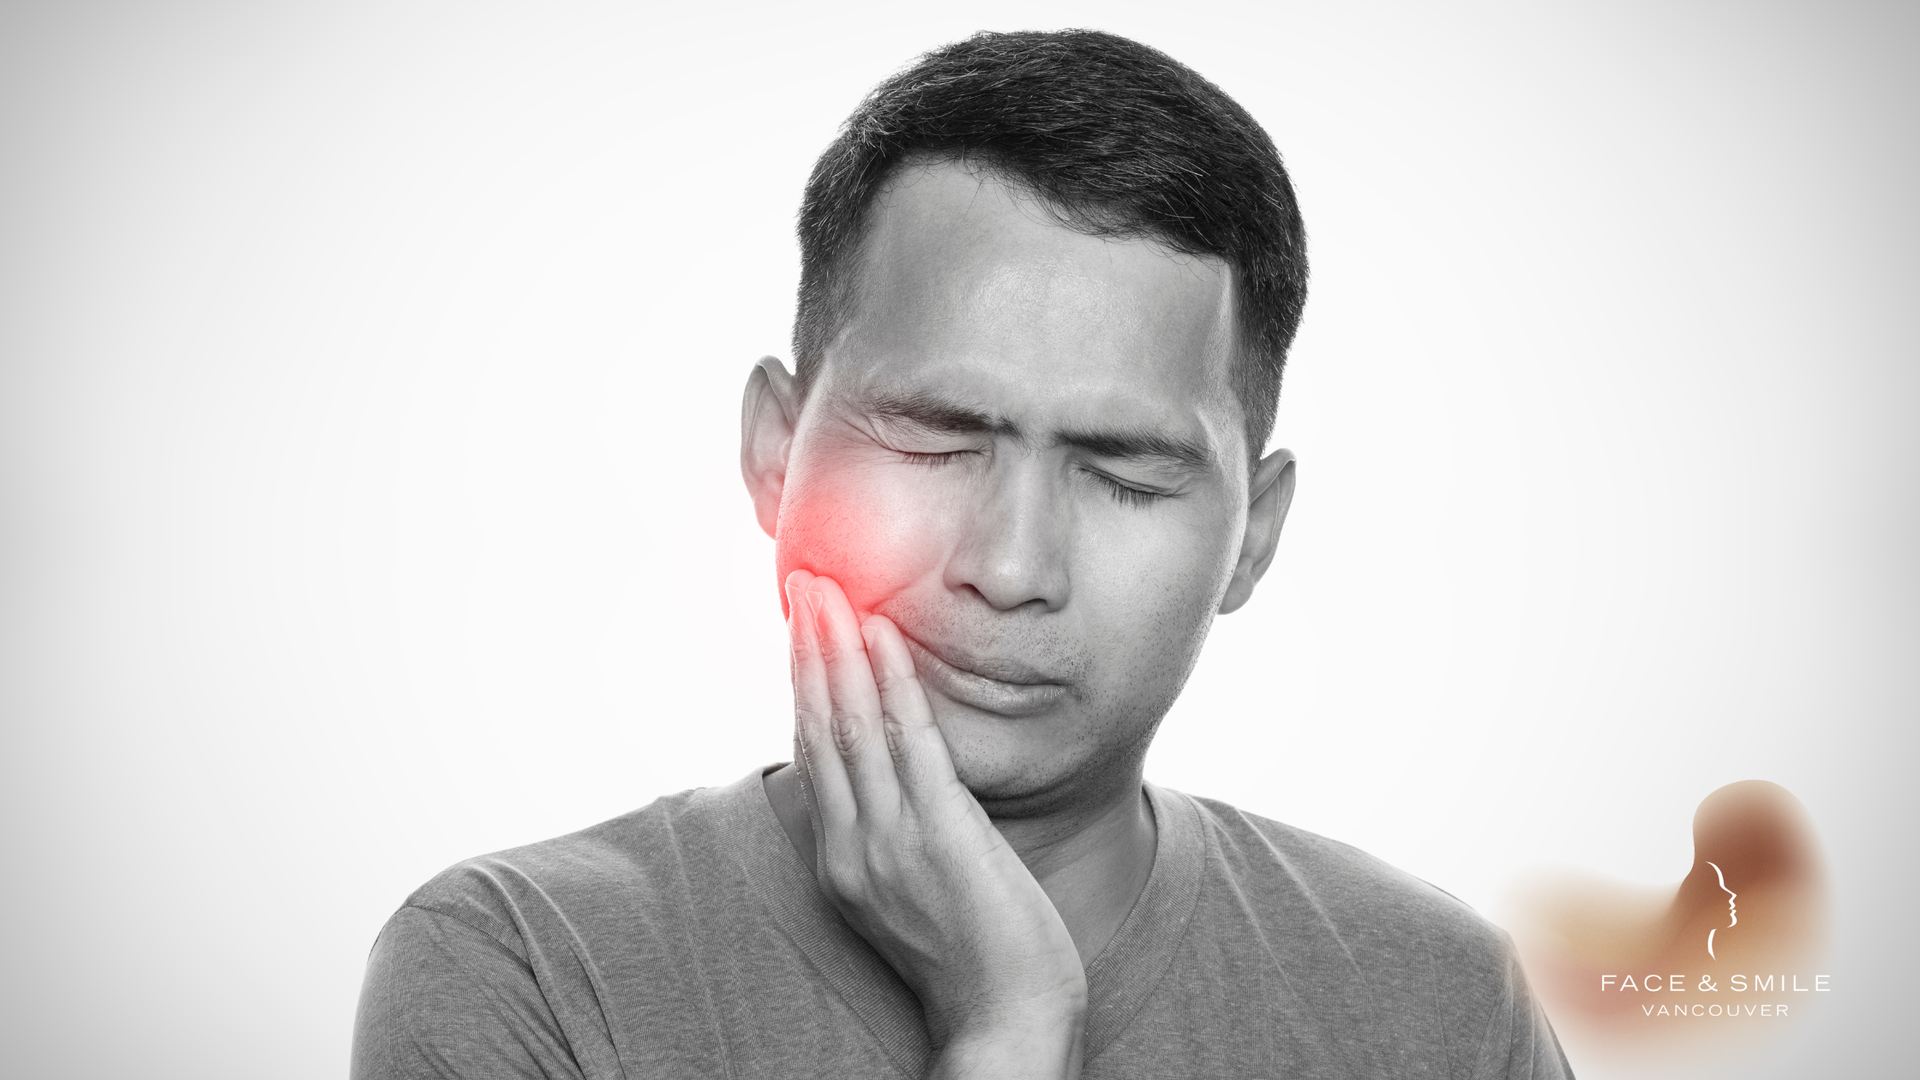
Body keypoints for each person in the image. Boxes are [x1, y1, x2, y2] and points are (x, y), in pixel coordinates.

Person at [351, 29, 1572, 1080]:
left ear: (1252, 535)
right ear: (775, 454)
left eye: (1122, 473)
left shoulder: (1446, 1010)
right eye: (934, 441)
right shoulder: (524, 965)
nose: (1012, 564)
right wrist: (1007, 1027)